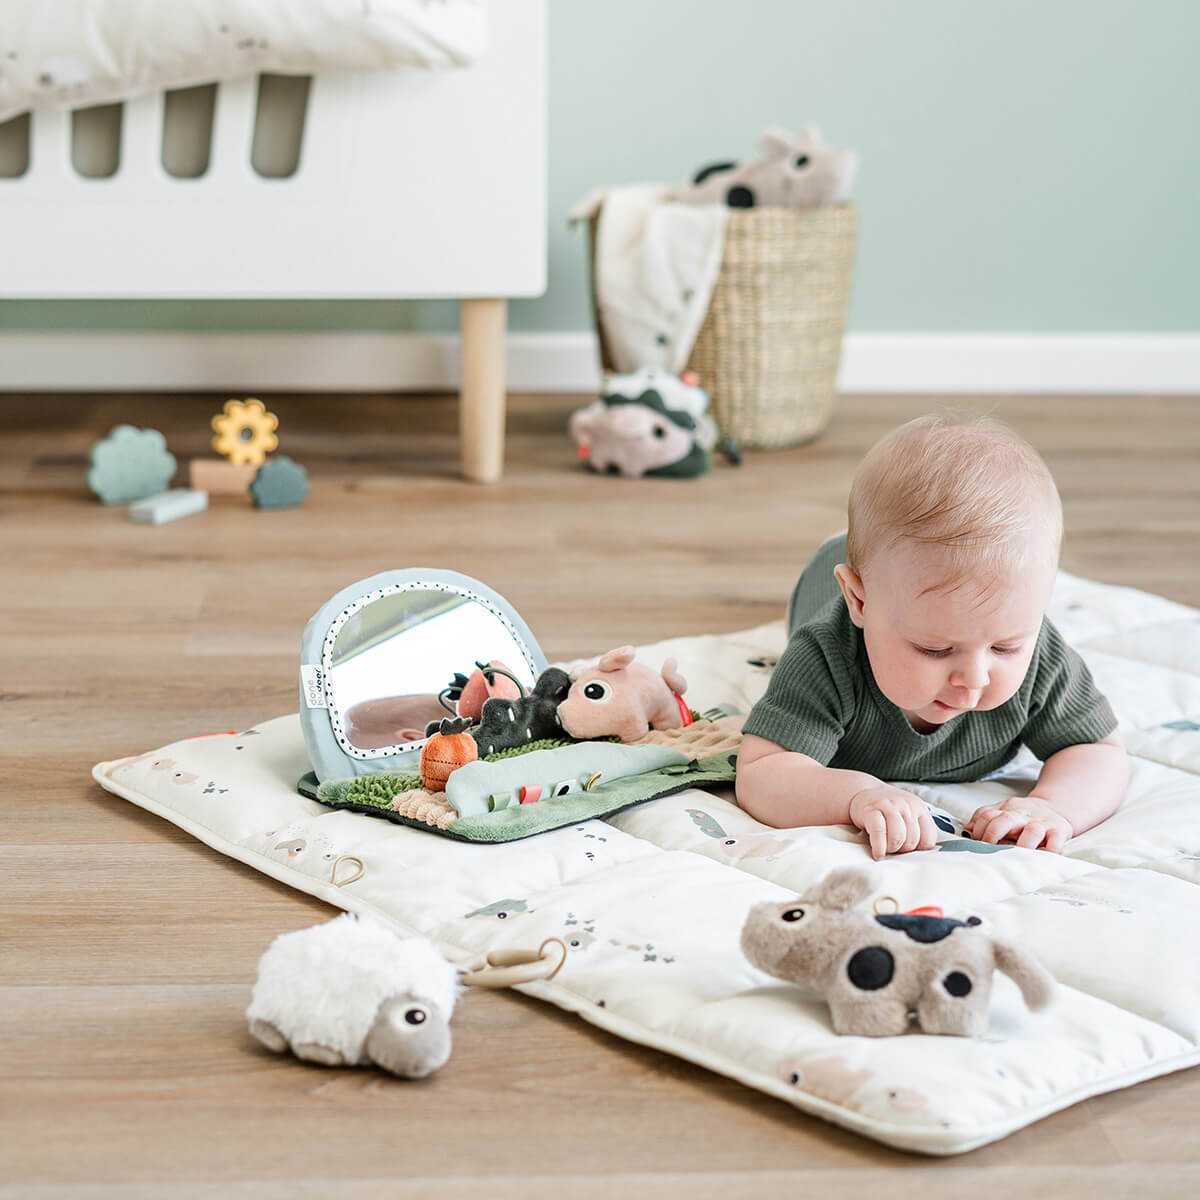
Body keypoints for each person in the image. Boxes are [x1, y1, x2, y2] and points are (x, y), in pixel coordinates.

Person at [735, 412, 1127, 858]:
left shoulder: (1043, 655)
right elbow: (762, 771)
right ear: (859, 601)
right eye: (935, 648)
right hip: (823, 585)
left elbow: (1099, 749)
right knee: (855, 558)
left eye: (1005, 646)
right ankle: (843, 548)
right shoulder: (825, 653)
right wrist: (855, 794)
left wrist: (1052, 806)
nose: (974, 677)